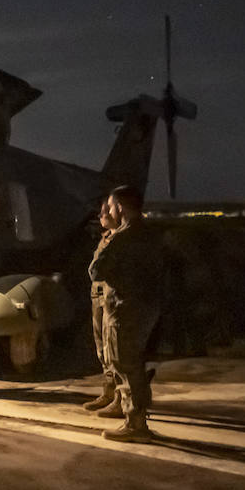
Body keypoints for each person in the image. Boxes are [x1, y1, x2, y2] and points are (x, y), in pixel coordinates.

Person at [88, 185, 166, 442]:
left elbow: (96, 271)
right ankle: (136, 415)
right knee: (134, 362)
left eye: (110, 206)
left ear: (120, 207)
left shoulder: (124, 236)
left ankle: (135, 424)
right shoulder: (148, 233)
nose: (107, 211)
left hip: (125, 308)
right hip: (144, 306)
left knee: (124, 362)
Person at [83, 199, 120, 411]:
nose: (101, 215)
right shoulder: (106, 237)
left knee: (112, 347)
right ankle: (108, 391)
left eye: (106, 211)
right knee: (101, 347)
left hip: (111, 297)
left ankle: (120, 398)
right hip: (99, 296)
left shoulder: (120, 239)